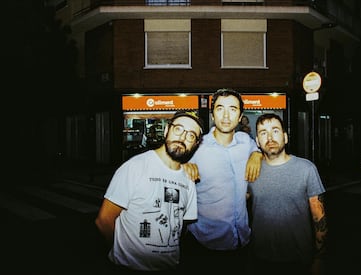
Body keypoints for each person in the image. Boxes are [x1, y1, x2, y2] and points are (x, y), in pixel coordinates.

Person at [94, 111, 204, 275]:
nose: (182, 138)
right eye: (178, 129)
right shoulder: (136, 167)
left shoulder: (189, 179)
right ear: (167, 130)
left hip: (170, 267)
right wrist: (125, 255)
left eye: (191, 135)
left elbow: (181, 226)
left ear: (195, 144)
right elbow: (104, 220)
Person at [179, 88, 263, 274]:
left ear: (240, 116)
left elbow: (260, 151)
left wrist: (257, 154)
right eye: (219, 108)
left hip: (241, 242)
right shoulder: (196, 146)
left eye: (232, 109)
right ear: (212, 113)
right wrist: (183, 168)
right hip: (204, 245)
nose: (226, 115)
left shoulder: (246, 141)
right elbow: (172, 167)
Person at [248, 113, 328, 275]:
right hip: (260, 258)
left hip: (299, 259)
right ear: (257, 141)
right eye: (263, 133)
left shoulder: (306, 169)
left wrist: (319, 259)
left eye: (275, 131)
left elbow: (319, 219)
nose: (270, 137)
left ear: (285, 137)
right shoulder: (250, 171)